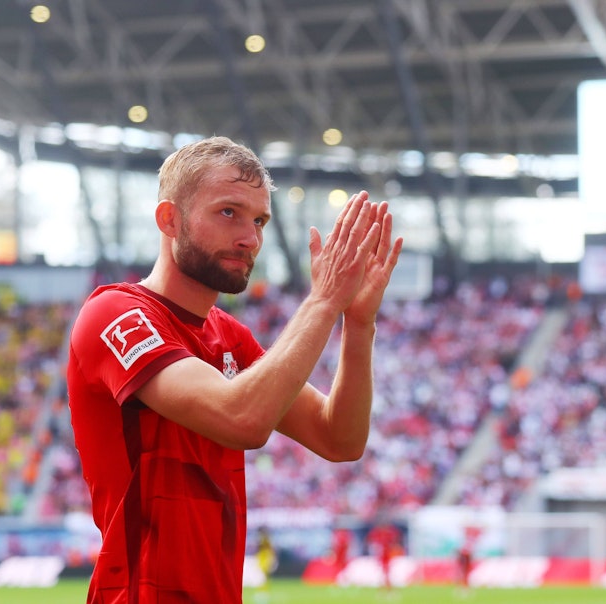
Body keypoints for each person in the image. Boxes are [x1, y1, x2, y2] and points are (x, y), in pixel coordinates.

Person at [67, 135, 403, 602]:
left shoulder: (230, 337)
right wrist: (324, 300)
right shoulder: (115, 313)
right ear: (170, 219)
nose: (251, 238)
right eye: (229, 212)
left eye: (259, 220)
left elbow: (339, 439)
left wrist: (359, 322)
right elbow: (240, 419)